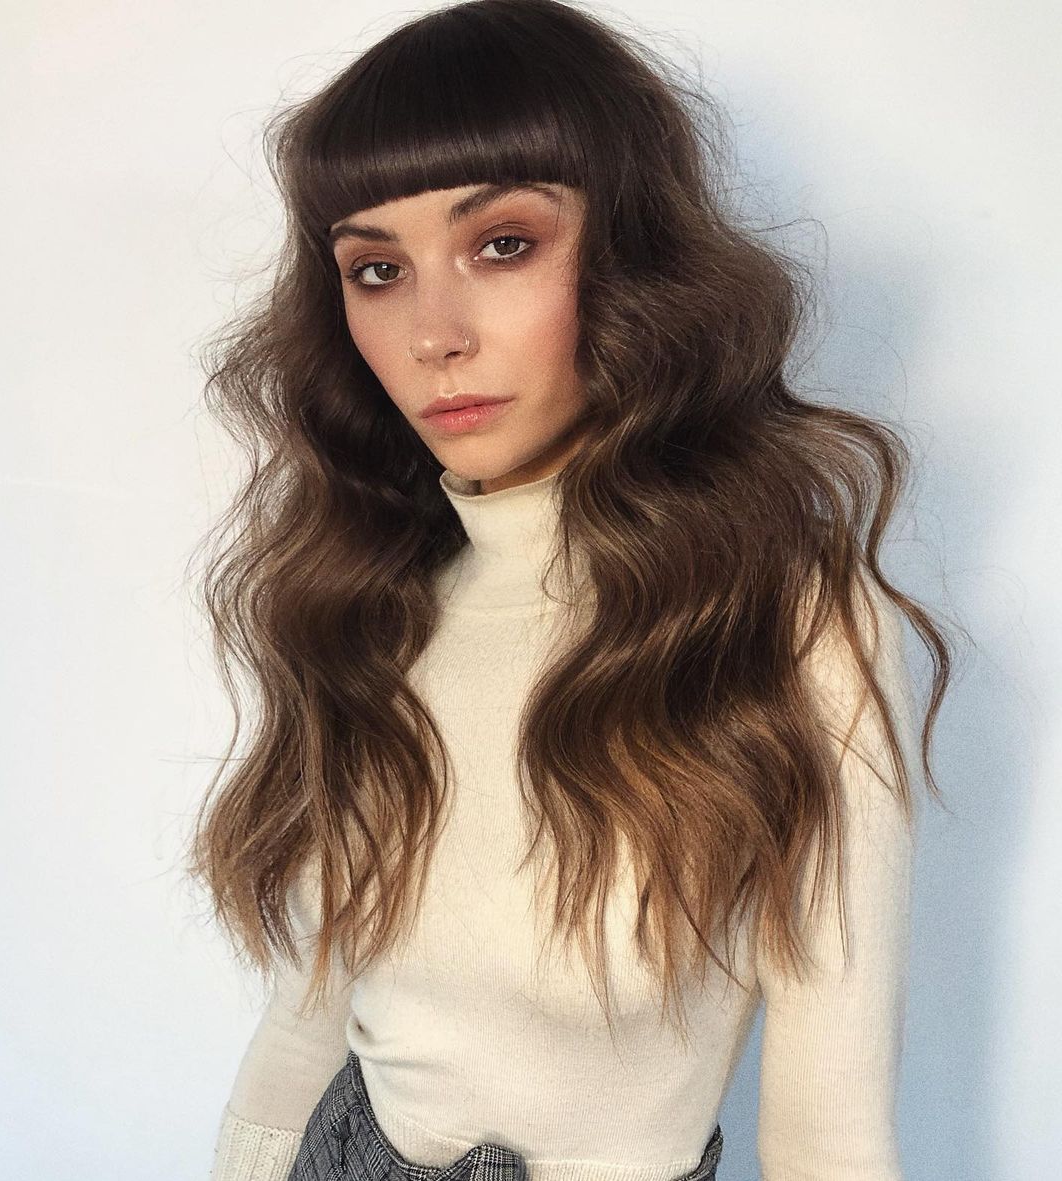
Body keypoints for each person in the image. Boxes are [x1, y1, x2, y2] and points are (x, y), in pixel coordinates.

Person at [185, 2, 954, 1179]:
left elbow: (828, 1130)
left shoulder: (786, 618)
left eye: (503, 244)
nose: (433, 333)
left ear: (631, 254)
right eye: (377, 270)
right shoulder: (377, 594)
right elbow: (308, 1015)